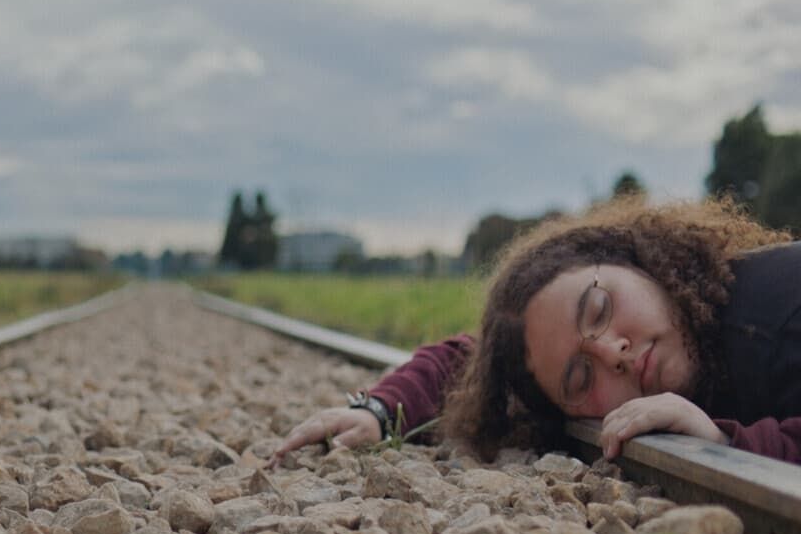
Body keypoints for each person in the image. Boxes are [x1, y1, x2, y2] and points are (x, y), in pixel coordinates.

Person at [269, 199, 801, 468]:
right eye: (578, 376)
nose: (610, 352)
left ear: (639, 264)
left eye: (599, 307)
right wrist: (380, 410)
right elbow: (470, 363)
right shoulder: (690, 336)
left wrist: (729, 444)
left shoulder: (779, 314)